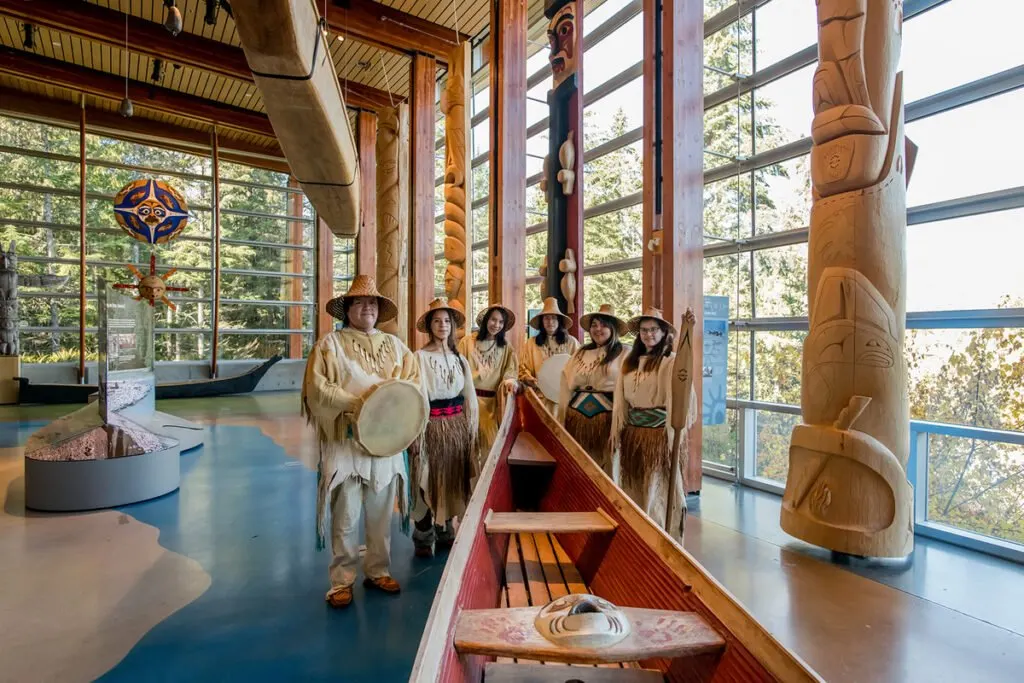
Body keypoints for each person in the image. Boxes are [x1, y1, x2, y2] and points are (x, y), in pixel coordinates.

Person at [301, 274, 420, 609]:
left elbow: (412, 384)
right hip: (347, 441)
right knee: (346, 512)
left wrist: (394, 411)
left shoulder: (397, 346)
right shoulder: (330, 345)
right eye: (360, 302)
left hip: (386, 443)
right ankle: (341, 580)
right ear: (347, 310)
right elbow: (317, 387)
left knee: (382, 512)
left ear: (378, 310)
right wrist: (357, 405)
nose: (367, 308)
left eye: (372, 303)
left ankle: (378, 570)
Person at [412, 298, 479, 558]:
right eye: (437, 321)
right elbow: (417, 398)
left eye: (447, 321)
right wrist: (417, 434)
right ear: (430, 326)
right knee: (426, 477)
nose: (443, 325)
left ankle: (445, 528)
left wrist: (470, 429)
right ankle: (423, 532)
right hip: (431, 426)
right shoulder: (419, 357)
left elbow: (469, 395)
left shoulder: (459, 358)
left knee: (451, 478)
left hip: (456, 427)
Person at [610, 307, 685, 536]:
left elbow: (682, 396)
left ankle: (658, 533)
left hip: (657, 436)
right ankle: (636, 532)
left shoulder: (670, 362)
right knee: (633, 485)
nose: (648, 334)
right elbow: (621, 400)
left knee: (655, 488)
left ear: (663, 333)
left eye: (653, 330)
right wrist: (619, 430)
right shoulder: (630, 362)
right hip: (632, 433)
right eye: (644, 330)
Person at [559, 304, 630, 480]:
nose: (598, 329)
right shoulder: (581, 352)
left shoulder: (625, 353)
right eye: (594, 325)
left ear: (612, 328)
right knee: (579, 465)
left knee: (608, 465)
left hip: (608, 419)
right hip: (577, 418)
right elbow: (566, 383)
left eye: (603, 325)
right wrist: (562, 417)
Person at [457, 303, 519, 471]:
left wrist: (510, 381)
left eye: (500, 322)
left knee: (489, 451)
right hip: (468, 402)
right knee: (465, 451)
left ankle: (484, 493)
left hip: (492, 407)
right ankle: (467, 494)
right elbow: (457, 369)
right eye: (493, 320)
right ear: (485, 320)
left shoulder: (506, 347)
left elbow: (511, 371)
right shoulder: (467, 342)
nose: (496, 325)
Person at [519, 296, 580, 417]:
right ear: (542, 322)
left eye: (554, 318)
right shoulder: (531, 343)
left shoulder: (571, 342)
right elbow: (522, 368)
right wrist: (528, 378)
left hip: (565, 400)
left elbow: (579, 367)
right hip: (539, 399)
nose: (550, 322)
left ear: (559, 321)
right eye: (546, 318)